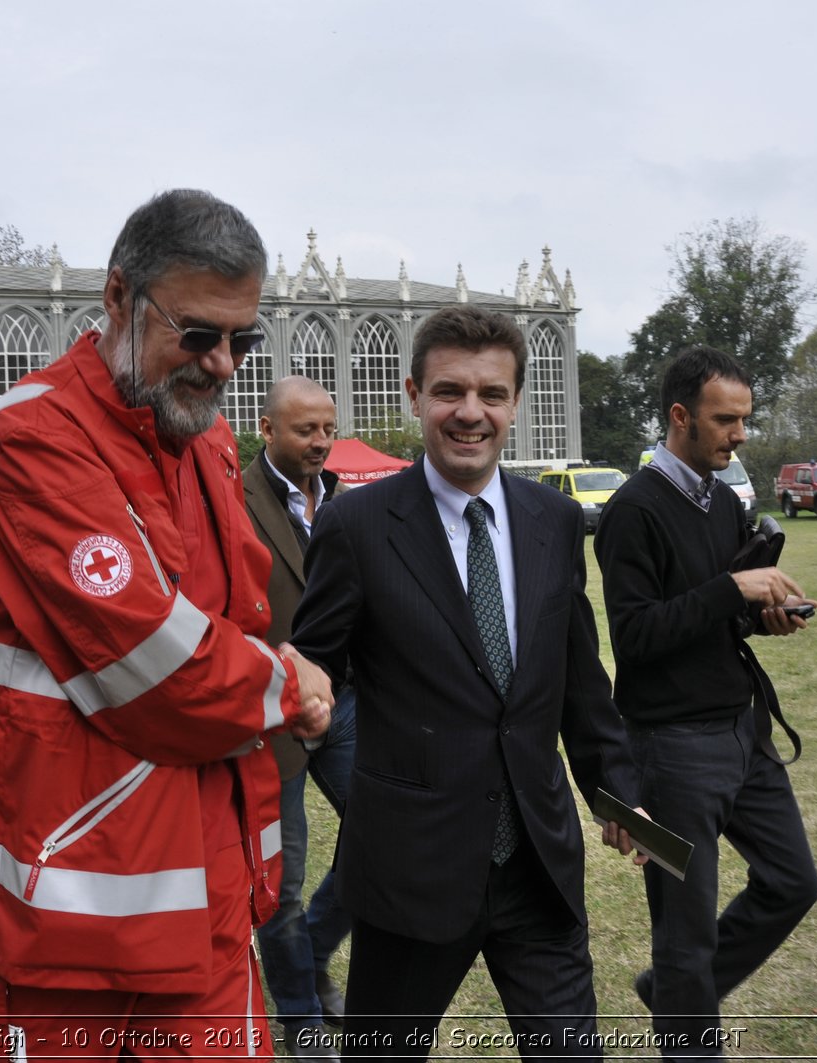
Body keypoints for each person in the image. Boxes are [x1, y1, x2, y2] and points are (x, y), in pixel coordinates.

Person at [0, 189, 334, 1059]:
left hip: (206, 902)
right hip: (59, 922)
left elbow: (240, 621)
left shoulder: (206, 440)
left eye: (243, 340)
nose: (224, 364)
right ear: (117, 298)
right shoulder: (32, 436)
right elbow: (161, 666)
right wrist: (288, 682)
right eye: (198, 334)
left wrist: (267, 667)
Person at [291, 305, 645, 1059]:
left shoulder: (554, 519)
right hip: (409, 867)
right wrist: (304, 702)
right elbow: (313, 667)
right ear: (414, 394)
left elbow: (580, 685)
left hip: (537, 865)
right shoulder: (355, 526)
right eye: (450, 391)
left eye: (492, 393)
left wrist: (617, 792)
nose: (470, 412)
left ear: (514, 402)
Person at [594, 346, 817, 1060]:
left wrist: (762, 616)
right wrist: (736, 592)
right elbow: (634, 636)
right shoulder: (632, 509)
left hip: (741, 732)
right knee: (685, 932)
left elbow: (717, 613)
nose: (740, 434)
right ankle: (687, 1019)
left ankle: (672, 991)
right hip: (669, 752)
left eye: (745, 420)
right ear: (680, 416)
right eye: (726, 420)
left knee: (793, 882)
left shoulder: (724, 501)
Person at [242, 376, 356, 1058]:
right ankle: (300, 1014)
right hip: (268, 716)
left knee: (383, 832)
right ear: (266, 429)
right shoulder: (232, 498)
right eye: (304, 430)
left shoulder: (342, 498)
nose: (319, 442)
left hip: (343, 705)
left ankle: (309, 951)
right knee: (279, 882)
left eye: (326, 429)